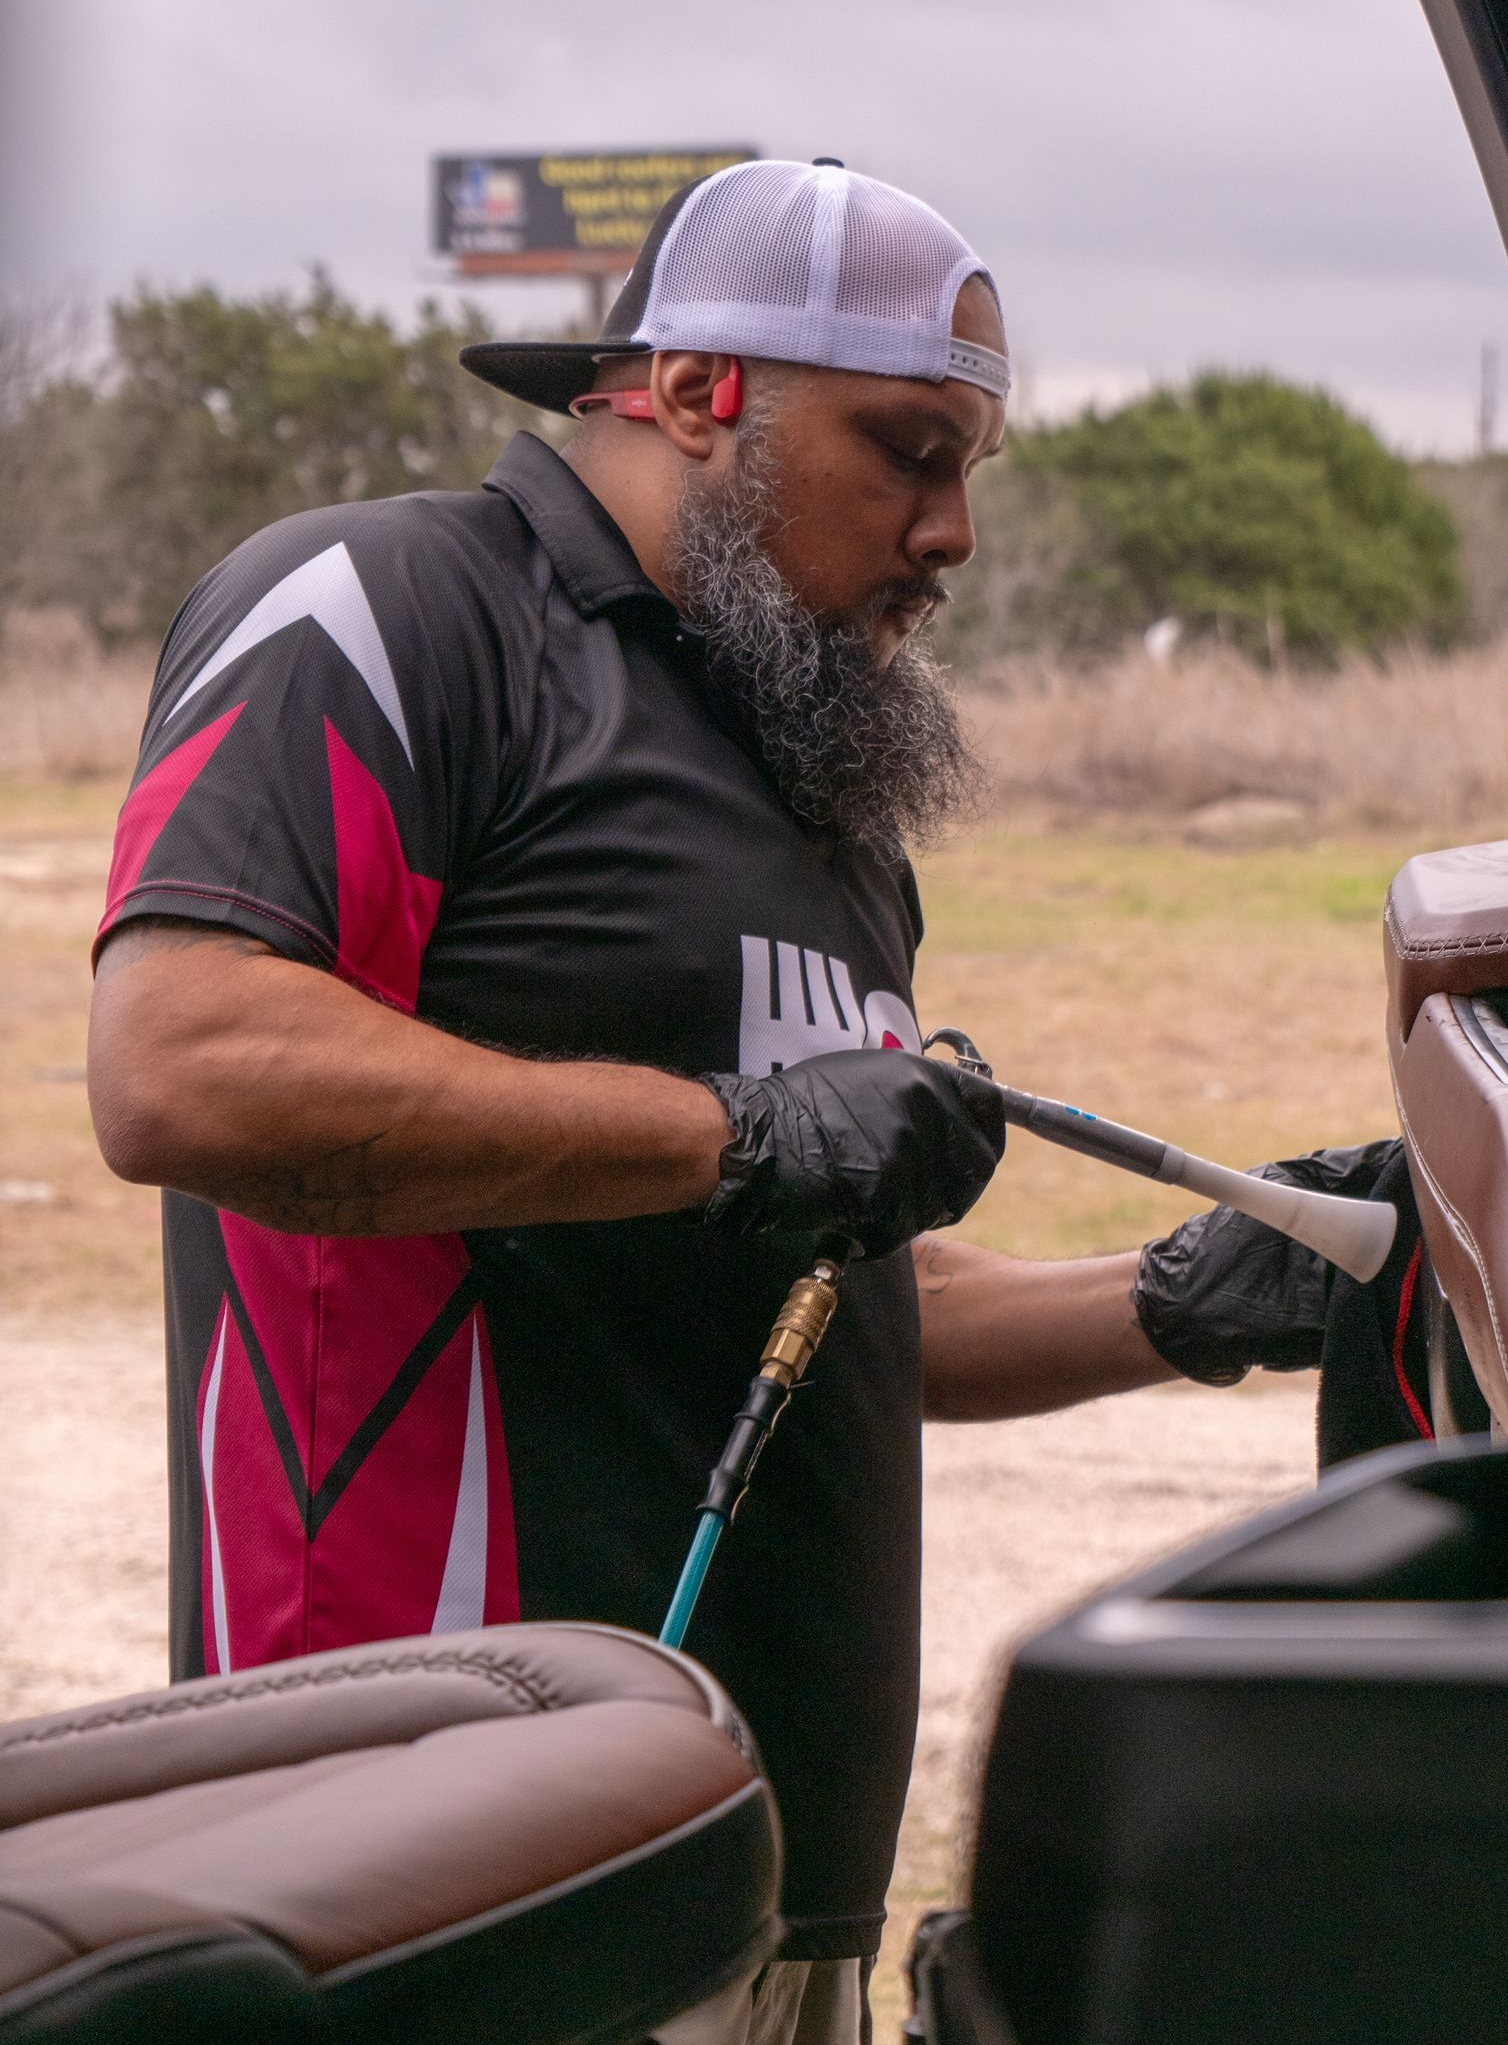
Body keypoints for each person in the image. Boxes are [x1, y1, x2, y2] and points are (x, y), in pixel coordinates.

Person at [86, 160, 1424, 2045]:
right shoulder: (387, 607)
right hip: (432, 1846)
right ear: (702, 391)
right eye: (906, 450)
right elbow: (184, 1062)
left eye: (976, 471)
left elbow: (837, 1289)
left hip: (776, 1877)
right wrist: (739, 1131)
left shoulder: (812, 768)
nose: (953, 531)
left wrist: (1189, 1296)